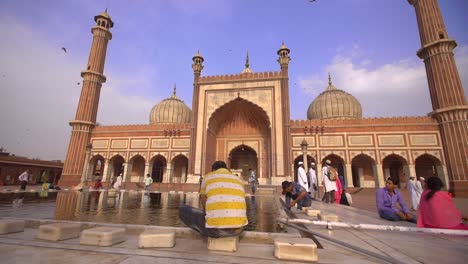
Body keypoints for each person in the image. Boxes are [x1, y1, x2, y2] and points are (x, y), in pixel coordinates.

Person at [179, 161, 247, 238]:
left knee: (183, 209)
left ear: (213, 170)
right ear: (226, 169)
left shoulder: (208, 177)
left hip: (216, 231)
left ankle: (210, 231)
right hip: (239, 230)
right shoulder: (238, 179)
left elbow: (203, 200)